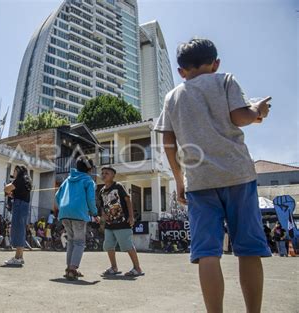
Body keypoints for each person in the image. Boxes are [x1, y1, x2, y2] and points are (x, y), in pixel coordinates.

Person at [154, 38, 272, 312]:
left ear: (181, 71)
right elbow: (240, 117)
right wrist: (258, 110)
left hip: (199, 182)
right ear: (215, 63)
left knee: (207, 253)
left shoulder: (172, 97)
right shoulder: (225, 80)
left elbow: (168, 143)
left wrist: (180, 179)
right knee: (249, 249)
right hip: (238, 176)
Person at [55, 156, 98, 280]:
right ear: (89, 169)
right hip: (78, 214)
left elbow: (57, 196)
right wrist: (94, 213)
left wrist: (64, 207)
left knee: (71, 241)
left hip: (64, 213)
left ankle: (69, 268)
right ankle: (73, 269)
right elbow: (91, 199)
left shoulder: (68, 179)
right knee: (79, 242)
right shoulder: (88, 181)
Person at [99, 166, 144, 277]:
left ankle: (137, 268)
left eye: (107, 173)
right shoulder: (101, 191)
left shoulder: (118, 186)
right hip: (109, 224)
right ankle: (114, 267)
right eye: (102, 173)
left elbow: (127, 200)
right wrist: (103, 217)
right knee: (108, 245)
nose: (104, 175)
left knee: (127, 245)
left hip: (122, 222)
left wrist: (131, 216)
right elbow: (102, 206)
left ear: (113, 175)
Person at [3, 165, 32, 266]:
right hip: (24, 205)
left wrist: (7, 189)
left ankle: (17, 257)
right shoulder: (26, 180)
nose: (13, 173)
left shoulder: (19, 179)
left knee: (18, 229)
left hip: (19, 205)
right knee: (21, 229)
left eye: (14, 171)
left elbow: (7, 188)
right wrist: (12, 193)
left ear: (18, 171)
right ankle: (20, 256)